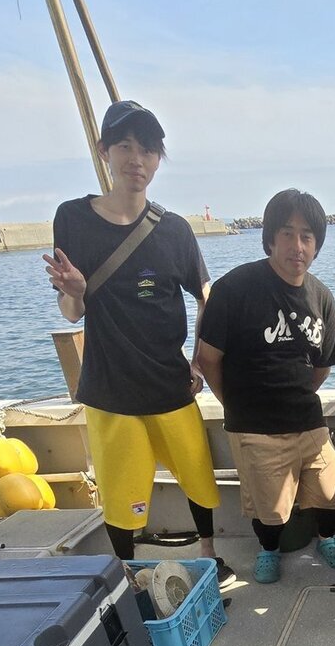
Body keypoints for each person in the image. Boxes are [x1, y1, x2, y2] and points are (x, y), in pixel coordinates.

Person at [43, 100, 231, 585]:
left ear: (158, 159)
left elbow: (206, 295)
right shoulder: (73, 218)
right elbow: (71, 309)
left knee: (199, 477)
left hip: (170, 383)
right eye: (124, 146)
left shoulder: (175, 230)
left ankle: (209, 554)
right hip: (109, 388)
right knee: (121, 490)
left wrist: (199, 361)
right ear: (104, 150)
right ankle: (126, 571)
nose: (137, 159)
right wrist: (77, 294)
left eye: (148, 150)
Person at [196, 189, 335, 584]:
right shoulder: (234, 289)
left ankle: (327, 538)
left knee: (333, 495)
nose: (297, 246)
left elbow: (322, 368)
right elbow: (208, 359)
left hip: (308, 421)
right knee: (270, 511)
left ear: (316, 245)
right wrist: (236, 405)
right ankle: (268, 550)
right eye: (287, 233)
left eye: (307, 236)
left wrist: (294, 395)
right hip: (253, 424)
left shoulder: (322, 297)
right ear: (269, 238)